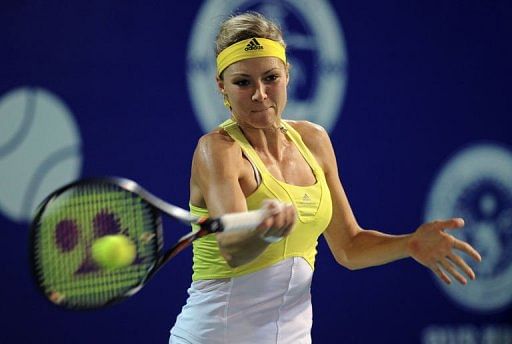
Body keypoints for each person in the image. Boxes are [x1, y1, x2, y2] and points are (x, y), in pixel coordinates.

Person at [170, 11, 481, 344]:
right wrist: (265, 232)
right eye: (243, 82)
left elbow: (349, 247)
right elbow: (232, 247)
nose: (260, 94)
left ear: (287, 74)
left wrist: (410, 244)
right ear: (222, 87)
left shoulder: (314, 141)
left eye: (271, 77)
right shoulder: (218, 150)